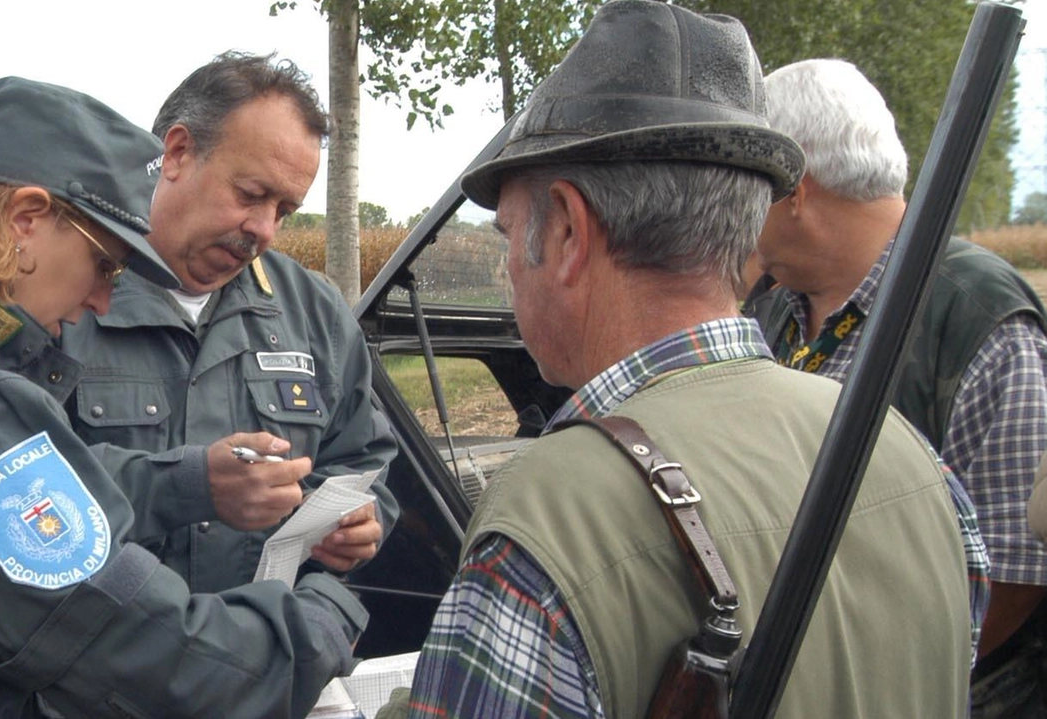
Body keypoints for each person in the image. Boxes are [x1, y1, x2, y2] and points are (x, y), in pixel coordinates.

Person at [379, 2, 981, 717]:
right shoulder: (909, 453)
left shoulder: (552, 519)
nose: (509, 267)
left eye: (509, 232)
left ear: (569, 229)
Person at [0, 76, 367, 718]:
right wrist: (330, 614)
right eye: (106, 265)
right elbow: (149, 651)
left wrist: (188, 483)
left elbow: (37, 490)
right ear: (26, 220)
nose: (104, 300)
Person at [752, 58, 1047, 717]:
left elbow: (1017, 569)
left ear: (794, 188)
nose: (738, 212)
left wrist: (889, 682)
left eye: (748, 183)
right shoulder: (777, 308)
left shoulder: (977, 317)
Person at [59, 52, 398, 594]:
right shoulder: (65, 289)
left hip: (260, 656)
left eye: (284, 210)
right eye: (251, 195)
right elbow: (7, 482)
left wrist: (359, 518)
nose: (263, 229)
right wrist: (185, 487)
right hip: (94, 664)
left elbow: (364, 458)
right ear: (177, 152)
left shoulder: (315, 313)